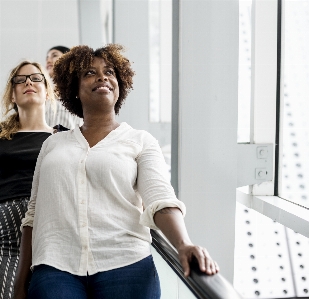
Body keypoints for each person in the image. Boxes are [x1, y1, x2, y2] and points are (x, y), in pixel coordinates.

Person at [14, 44, 219, 299]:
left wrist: (183, 244)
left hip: (127, 266)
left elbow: (160, 199)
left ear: (119, 85)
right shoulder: (52, 144)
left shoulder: (140, 140)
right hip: (55, 269)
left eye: (109, 72)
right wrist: (20, 282)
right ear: (75, 89)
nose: (102, 77)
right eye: (89, 73)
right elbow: (33, 215)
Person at [0, 61, 56, 299]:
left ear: (47, 91)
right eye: (20, 80)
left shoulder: (63, 138)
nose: (28, 83)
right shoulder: (2, 138)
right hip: (5, 235)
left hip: (51, 232)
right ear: (12, 95)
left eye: (35, 78)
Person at [45, 45, 83, 129]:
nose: (48, 60)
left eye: (54, 55)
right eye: (47, 58)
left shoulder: (80, 90)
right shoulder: (41, 93)